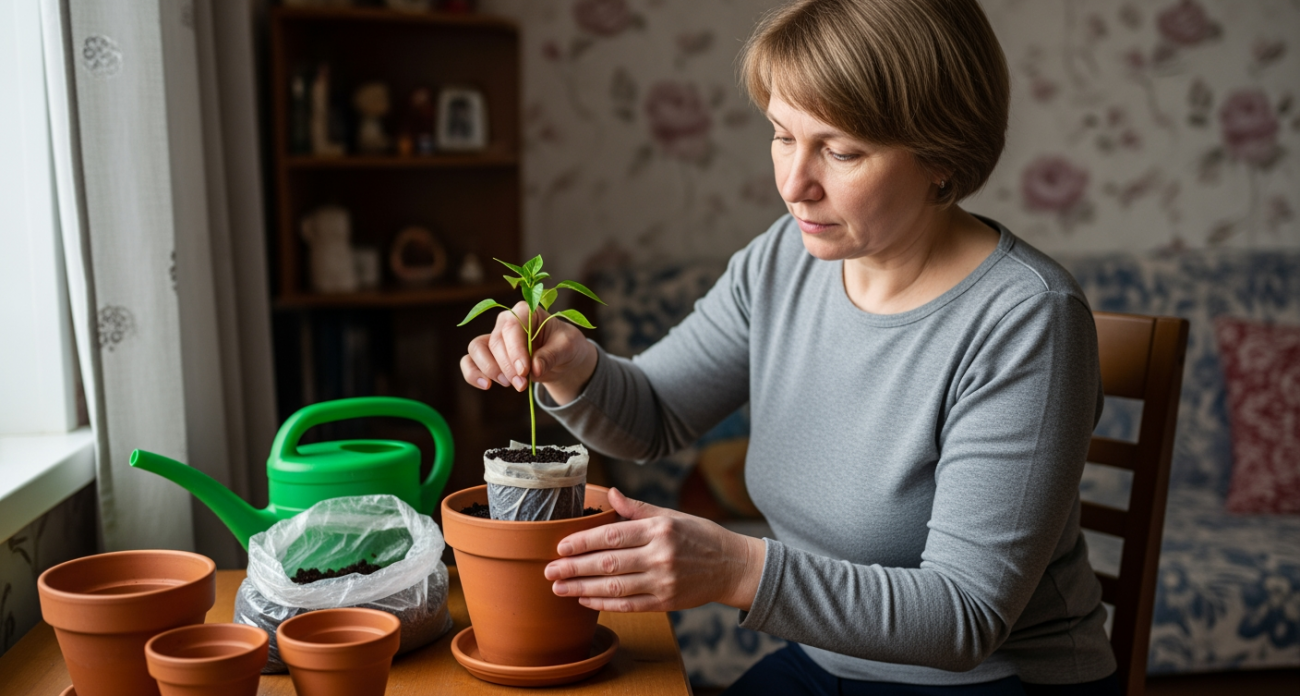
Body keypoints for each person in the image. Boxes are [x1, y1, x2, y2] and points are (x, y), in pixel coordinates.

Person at [460, 1, 1120, 693]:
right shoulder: (785, 260)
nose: (793, 186)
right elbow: (652, 416)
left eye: (840, 151)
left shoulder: (1026, 318)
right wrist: (572, 366)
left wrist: (735, 569)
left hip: (990, 682)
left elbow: (964, 616)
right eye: (781, 135)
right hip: (827, 663)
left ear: (942, 155)